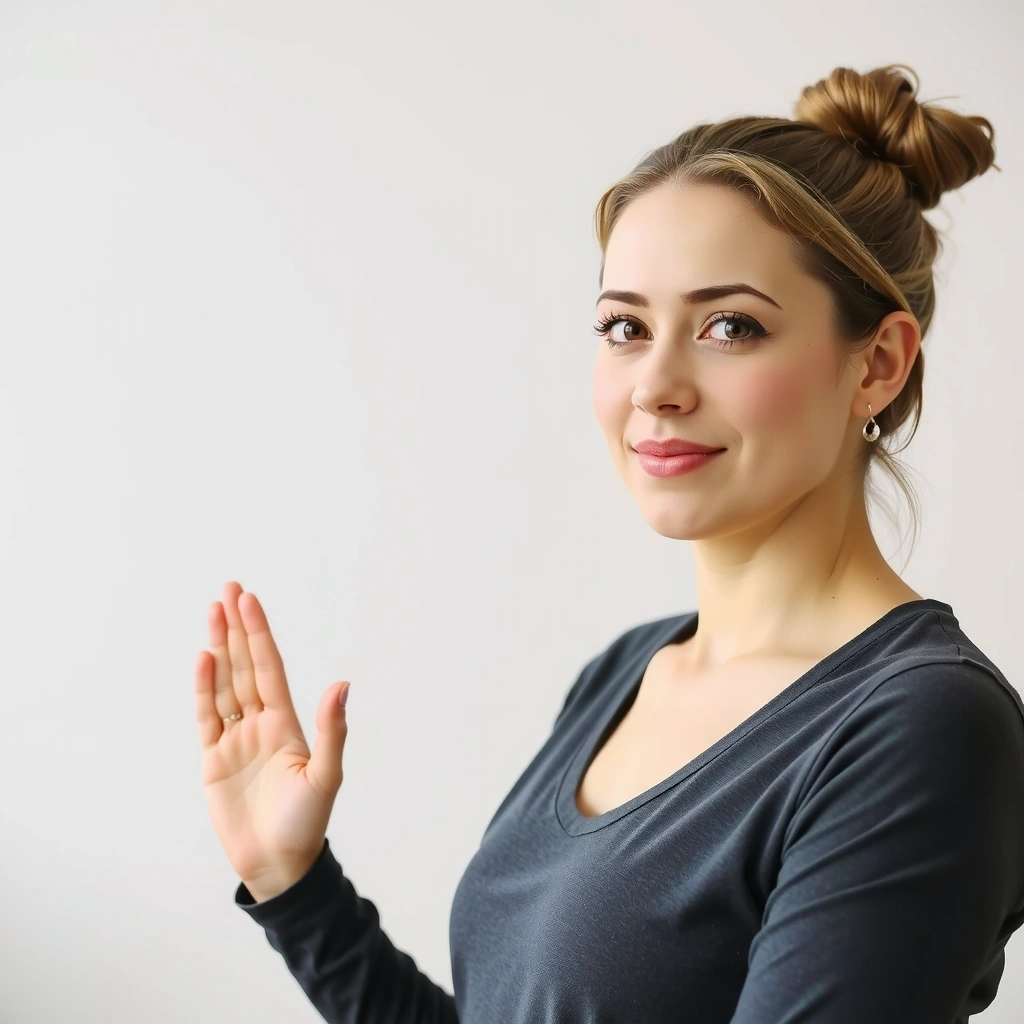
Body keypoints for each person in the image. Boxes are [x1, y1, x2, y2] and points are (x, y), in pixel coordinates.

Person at [194, 64, 1024, 1022]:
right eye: (625, 326)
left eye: (729, 325)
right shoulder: (628, 672)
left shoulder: (919, 732)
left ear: (877, 364)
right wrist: (295, 887)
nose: (655, 385)